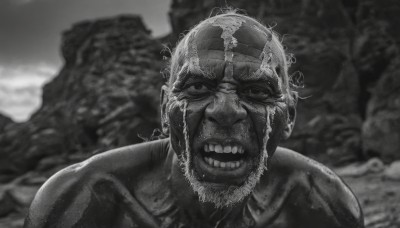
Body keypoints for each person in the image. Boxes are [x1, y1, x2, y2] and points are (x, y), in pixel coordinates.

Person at [24, 12, 364, 228]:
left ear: (287, 117)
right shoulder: (80, 202)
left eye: (258, 91)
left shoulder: (322, 207)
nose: (226, 111)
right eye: (198, 87)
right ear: (164, 109)